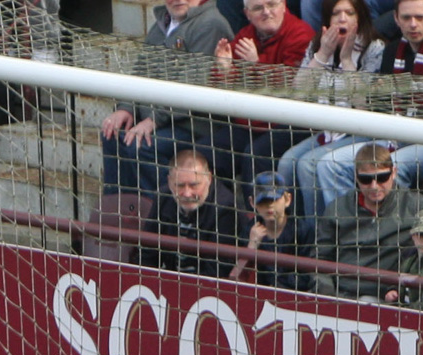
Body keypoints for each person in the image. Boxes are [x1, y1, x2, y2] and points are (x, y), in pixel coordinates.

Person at [311, 0, 423, 213]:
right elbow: (379, 108)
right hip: (397, 137)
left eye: (419, 18)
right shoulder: (393, 51)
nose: (413, 24)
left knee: (390, 168)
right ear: (395, 19)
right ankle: (347, 231)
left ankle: (388, 238)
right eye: (406, 18)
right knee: (330, 164)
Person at [100, 0, 234, 198]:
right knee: (111, 134)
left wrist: (154, 119)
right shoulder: (163, 23)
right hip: (159, 119)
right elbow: (140, 70)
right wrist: (125, 108)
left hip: (194, 125)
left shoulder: (210, 25)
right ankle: (119, 210)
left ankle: (160, 213)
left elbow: (191, 87)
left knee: (142, 145)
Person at [312, 143, 423, 300]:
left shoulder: (412, 204)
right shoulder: (337, 208)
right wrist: (327, 297)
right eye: (366, 179)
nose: (374, 186)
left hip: (384, 297)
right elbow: (320, 259)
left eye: (382, 178)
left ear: (394, 173)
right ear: (356, 178)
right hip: (339, 294)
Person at [278, 0, 387, 217]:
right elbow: (299, 94)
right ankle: (298, 229)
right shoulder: (318, 45)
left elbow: (362, 104)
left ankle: (323, 232)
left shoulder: (375, 47)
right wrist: (322, 55)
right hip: (329, 130)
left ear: (360, 18)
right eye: (336, 13)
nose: (342, 18)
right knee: (287, 163)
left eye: (349, 13)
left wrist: (347, 61)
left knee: (308, 165)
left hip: (363, 131)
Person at [211, 0, 315, 192]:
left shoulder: (301, 34)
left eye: (272, 4)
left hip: (291, 121)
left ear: (284, 5)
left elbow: (290, 87)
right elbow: (220, 79)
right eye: (258, 8)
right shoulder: (247, 35)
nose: (266, 12)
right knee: (210, 150)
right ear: (247, 14)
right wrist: (223, 70)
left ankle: (261, 218)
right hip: (253, 121)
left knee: (255, 156)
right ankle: (223, 215)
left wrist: (256, 65)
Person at [138, 150, 240, 278]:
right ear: (169, 182)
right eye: (180, 186)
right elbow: (146, 255)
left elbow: (217, 272)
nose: (187, 193)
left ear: (208, 178)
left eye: (194, 185)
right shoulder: (163, 198)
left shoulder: (225, 209)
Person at [230, 170, 311, 289]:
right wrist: (251, 247)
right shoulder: (249, 230)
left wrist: (277, 285)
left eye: (275, 199)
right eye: (263, 201)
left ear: (287, 199)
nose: (269, 206)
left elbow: (307, 276)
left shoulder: (302, 230)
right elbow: (236, 276)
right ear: (252, 203)